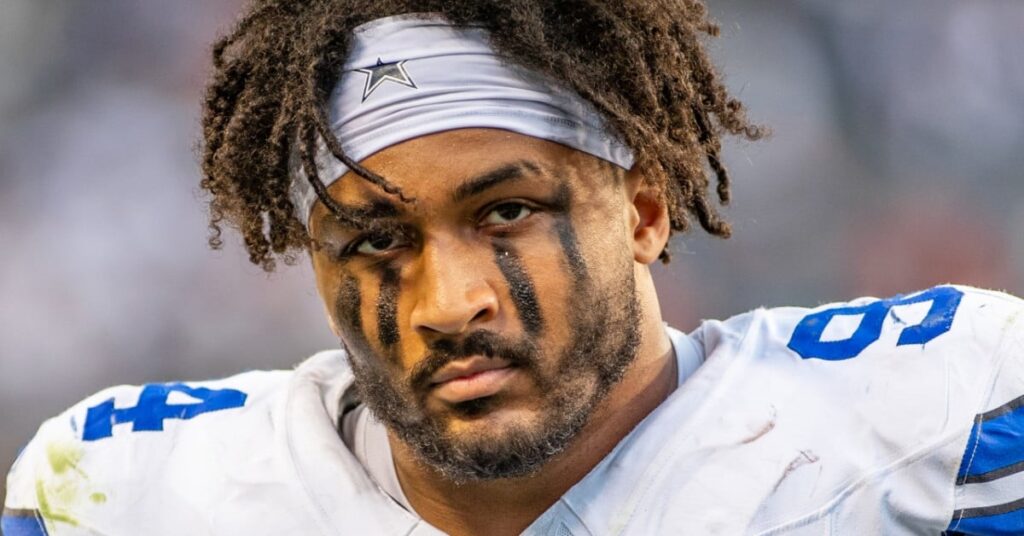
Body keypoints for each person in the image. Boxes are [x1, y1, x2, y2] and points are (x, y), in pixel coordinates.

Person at [4, 1, 1023, 535]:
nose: (452, 304)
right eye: (375, 239)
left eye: (507, 213)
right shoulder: (122, 494)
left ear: (644, 208)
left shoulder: (946, 427)